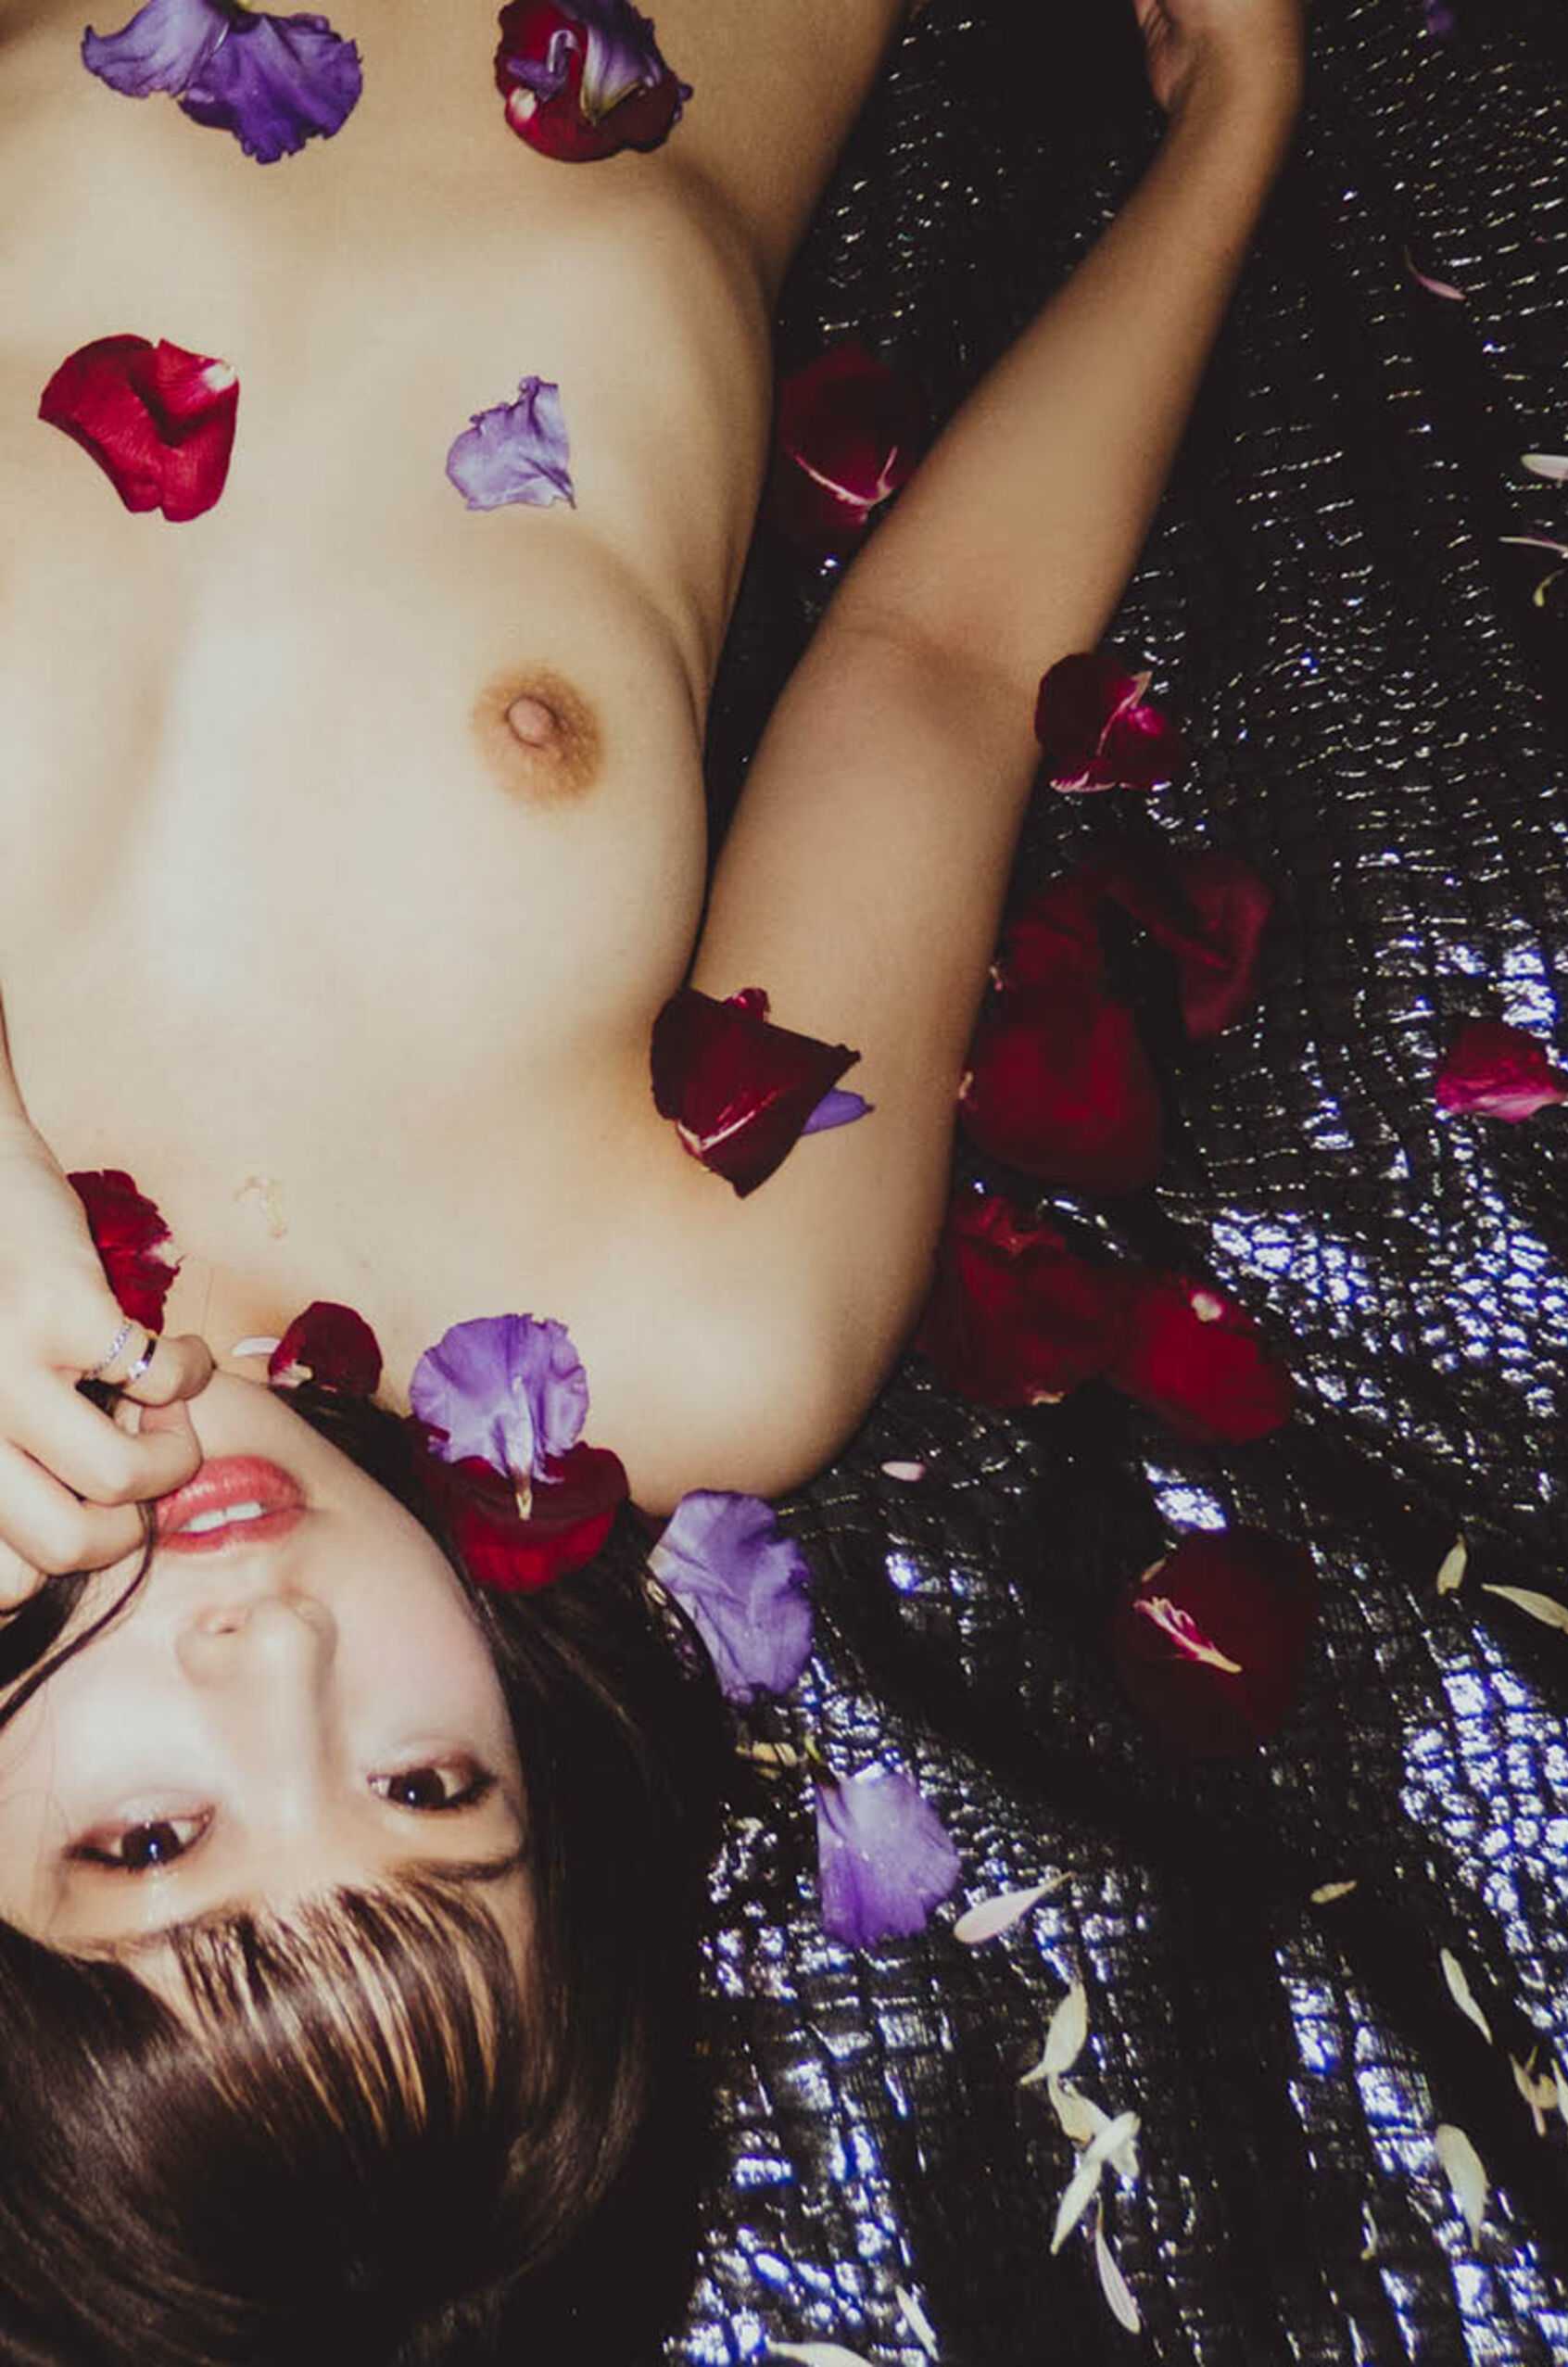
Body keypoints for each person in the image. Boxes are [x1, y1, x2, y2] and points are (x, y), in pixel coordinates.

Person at [0, 0, 1305, 2353]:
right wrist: (1235, 128)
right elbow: (941, 660)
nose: (278, 1656)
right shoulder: (690, 1330)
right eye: (428, 1786)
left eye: (153, 1838)